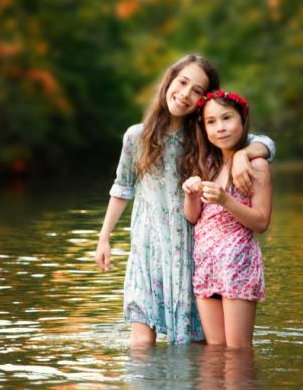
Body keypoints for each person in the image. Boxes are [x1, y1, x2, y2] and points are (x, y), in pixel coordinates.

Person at [95, 55, 275, 346]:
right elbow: (121, 188)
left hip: (191, 248)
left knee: (198, 341)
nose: (185, 94)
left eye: (197, 90)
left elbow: (264, 142)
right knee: (141, 337)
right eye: (182, 82)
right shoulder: (136, 137)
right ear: (169, 81)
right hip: (148, 248)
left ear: (203, 100)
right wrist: (104, 238)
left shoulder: (204, 135)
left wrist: (244, 154)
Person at [182, 90, 272, 348]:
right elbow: (193, 217)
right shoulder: (206, 165)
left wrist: (226, 201)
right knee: (216, 350)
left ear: (242, 121)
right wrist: (190, 193)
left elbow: (261, 222)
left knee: (237, 352)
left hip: (237, 264)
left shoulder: (255, 165)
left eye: (226, 118)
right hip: (206, 264)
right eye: (211, 121)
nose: (220, 128)